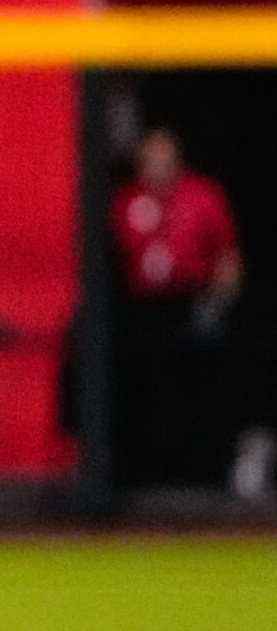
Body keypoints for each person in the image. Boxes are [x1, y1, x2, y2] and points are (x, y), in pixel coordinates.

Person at [112, 127, 248, 487]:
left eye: (164, 156)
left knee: (200, 395)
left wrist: (218, 303)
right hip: (144, 310)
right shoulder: (126, 200)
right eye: (150, 158)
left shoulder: (201, 194)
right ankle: (146, 479)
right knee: (147, 397)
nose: (157, 164)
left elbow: (227, 255)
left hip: (191, 303)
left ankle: (206, 479)